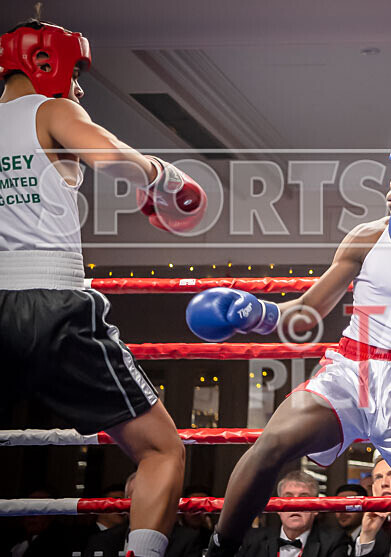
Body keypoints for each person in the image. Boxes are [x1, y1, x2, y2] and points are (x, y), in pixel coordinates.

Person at [189, 132, 391, 557]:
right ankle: (219, 550)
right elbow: (308, 309)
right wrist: (258, 314)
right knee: (271, 445)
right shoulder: (367, 236)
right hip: (349, 371)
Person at [0, 18, 208, 557]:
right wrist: (165, 177)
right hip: (52, 305)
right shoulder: (51, 110)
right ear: (49, 63)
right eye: (78, 72)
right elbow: (111, 155)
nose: (80, 87)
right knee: (162, 450)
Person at [82, 473, 207, 557]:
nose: (146, 501)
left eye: (153, 495)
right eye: (137, 496)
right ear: (125, 502)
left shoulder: (186, 540)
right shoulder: (101, 540)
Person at [237, 471, 350, 557]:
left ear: (316, 509)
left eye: (303, 497)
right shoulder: (253, 539)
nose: (295, 504)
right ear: (278, 508)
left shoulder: (334, 541)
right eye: (288, 497)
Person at [332, 483, 369, 553]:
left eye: (349, 505)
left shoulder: (375, 538)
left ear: (364, 507)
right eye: (338, 506)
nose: (342, 511)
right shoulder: (335, 540)